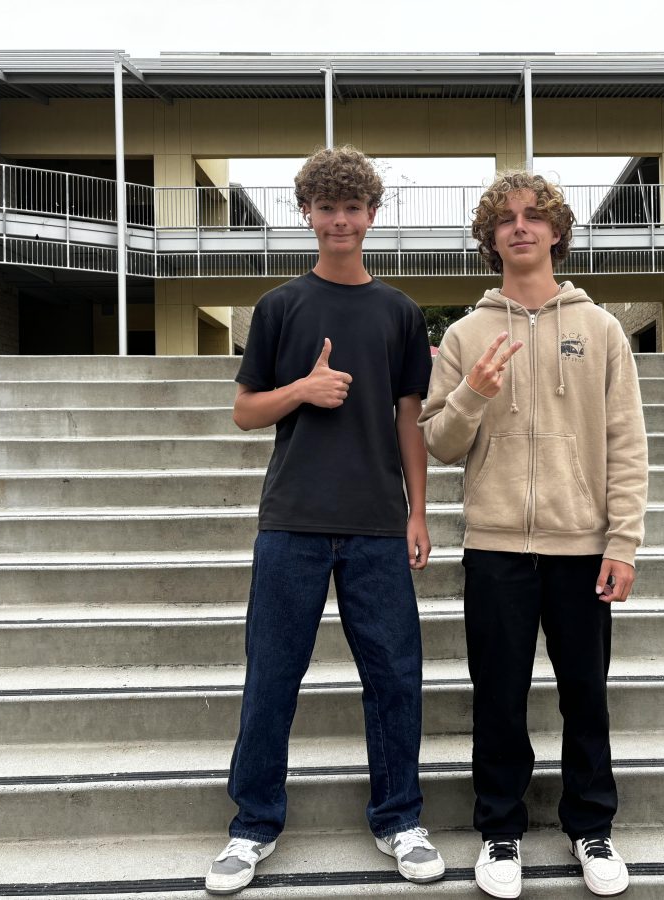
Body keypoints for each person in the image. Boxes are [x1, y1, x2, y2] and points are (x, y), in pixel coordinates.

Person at [205, 145, 444, 894]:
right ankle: (251, 827)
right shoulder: (280, 307)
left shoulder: (401, 313)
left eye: (353, 207)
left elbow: (411, 418)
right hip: (293, 520)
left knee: (395, 677)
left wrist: (419, 511)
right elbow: (245, 412)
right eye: (326, 207)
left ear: (372, 215)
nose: (340, 220)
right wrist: (302, 389)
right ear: (306, 213)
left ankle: (399, 818)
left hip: (377, 522)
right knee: (272, 674)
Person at [418, 172, 647, 898]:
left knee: (586, 693)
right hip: (495, 547)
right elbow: (438, 444)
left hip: (582, 546)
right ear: (490, 238)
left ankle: (592, 825)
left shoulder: (601, 328)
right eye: (506, 219)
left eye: (534, 217)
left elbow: (626, 441)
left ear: (555, 232)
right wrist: (474, 392)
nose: (520, 227)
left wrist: (623, 541)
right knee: (499, 695)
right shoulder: (464, 333)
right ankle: (501, 832)